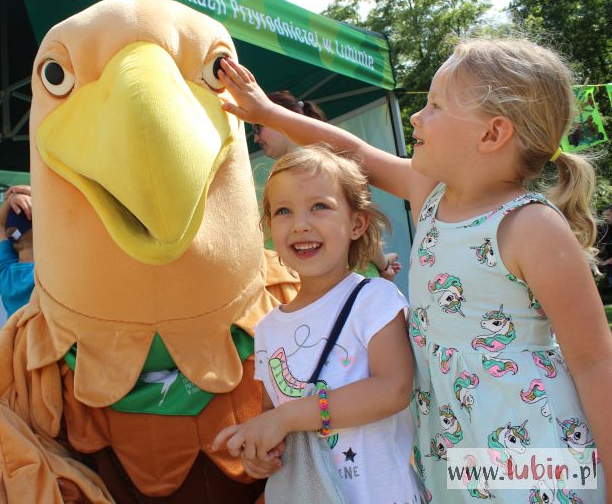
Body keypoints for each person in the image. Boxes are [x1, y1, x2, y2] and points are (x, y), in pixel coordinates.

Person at [215, 37, 611, 502]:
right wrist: (266, 112)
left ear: (492, 134)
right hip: (451, 443)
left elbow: (594, 361)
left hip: (532, 440)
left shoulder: (531, 226)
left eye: (435, 105)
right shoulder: (432, 196)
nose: (416, 117)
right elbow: (353, 151)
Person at [212, 147, 421, 502]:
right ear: (269, 230)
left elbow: (393, 389)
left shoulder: (375, 299)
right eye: (283, 211)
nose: (301, 224)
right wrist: (260, 452)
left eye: (319, 206)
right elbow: (272, 415)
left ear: (357, 223)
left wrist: (288, 418)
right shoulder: (267, 328)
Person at [256, 89, 402, 282]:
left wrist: (383, 265)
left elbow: (365, 232)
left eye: (257, 127)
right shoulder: (325, 165)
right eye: (283, 211)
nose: (256, 138)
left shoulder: (322, 168)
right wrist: (383, 264)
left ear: (279, 116)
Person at [0, 185, 34, 315]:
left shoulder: (3, 273)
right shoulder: (45, 274)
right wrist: (12, 196)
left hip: (17, 336)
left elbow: (1, 225)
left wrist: (11, 198)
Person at [596, 205, 612, 287]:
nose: (605, 218)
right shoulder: (607, 228)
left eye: (608, 215)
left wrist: (603, 262)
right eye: (604, 215)